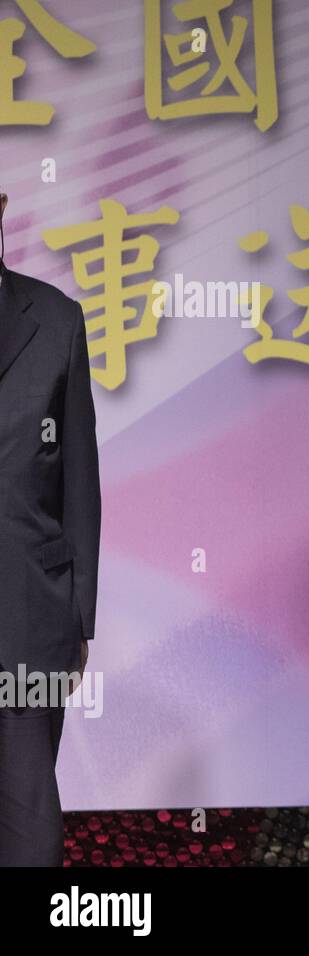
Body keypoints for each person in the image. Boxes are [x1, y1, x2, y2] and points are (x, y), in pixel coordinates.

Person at [0, 189, 101, 866]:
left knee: (29, 829)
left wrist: (78, 621)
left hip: (28, 621)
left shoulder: (55, 319)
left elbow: (80, 487)